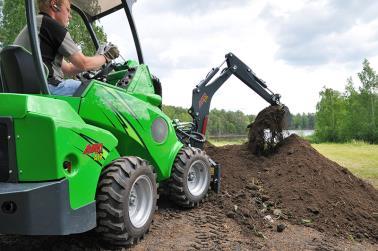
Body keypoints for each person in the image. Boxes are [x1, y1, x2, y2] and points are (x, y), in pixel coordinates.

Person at [14, 0, 119, 96]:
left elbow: (69, 69)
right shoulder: (51, 25)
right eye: (68, 10)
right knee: (101, 92)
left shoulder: (36, 25)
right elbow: (84, 63)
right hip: (47, 88)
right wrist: (107, 56)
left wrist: (94, 64)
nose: (70, 16)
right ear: (54, 4)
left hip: (26, 90)